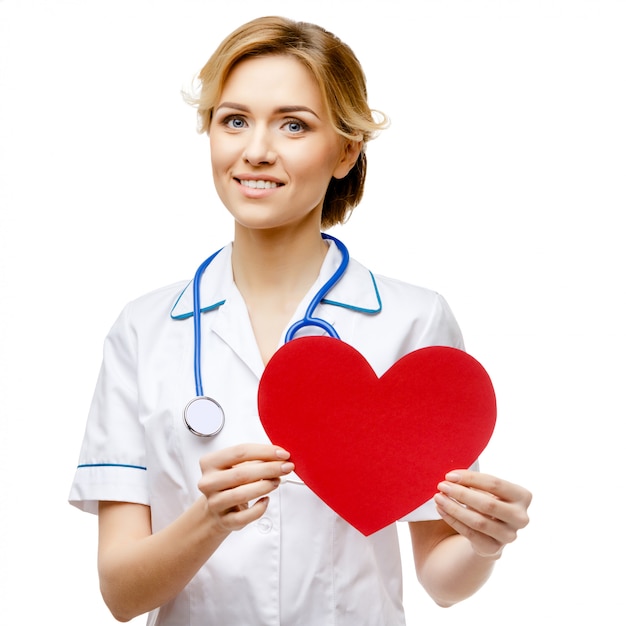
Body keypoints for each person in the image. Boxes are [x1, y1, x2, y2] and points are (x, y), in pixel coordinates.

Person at [69, 16, 531, 625]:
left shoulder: (413, 320)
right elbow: (122, 595)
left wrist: (483, 543)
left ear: (346, 151)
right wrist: (209, 519)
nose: (256, 150)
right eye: (234, 120)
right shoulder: (144, 330)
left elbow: (441, 579)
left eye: (293, 125)